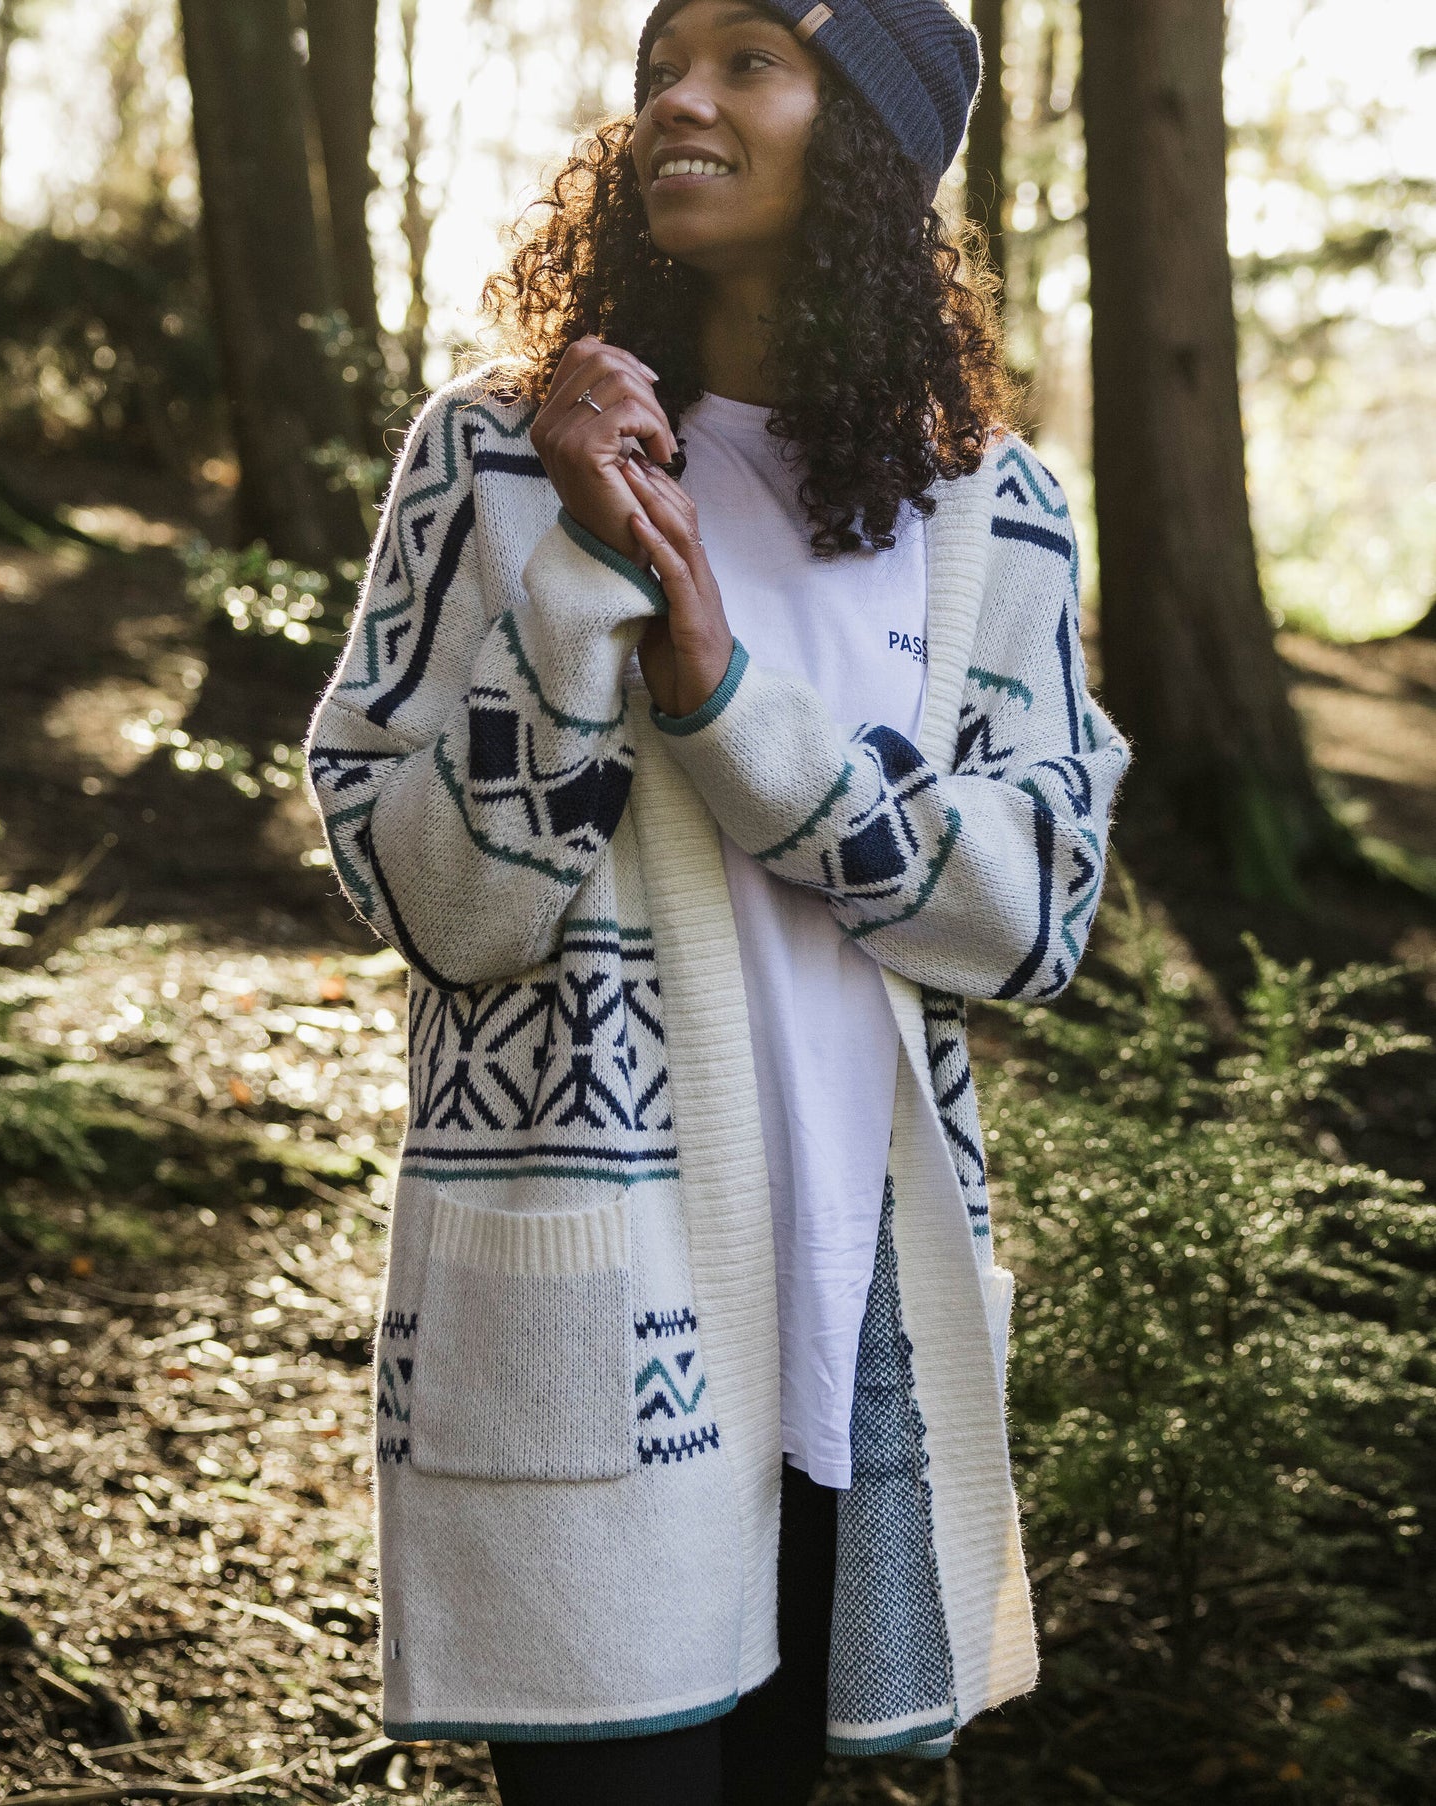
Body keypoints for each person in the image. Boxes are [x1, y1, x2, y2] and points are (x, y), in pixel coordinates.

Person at [304, 2, 1130, 1801]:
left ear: (869, 139)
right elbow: (434, 899)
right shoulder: (496, 452)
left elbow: (1036, 912)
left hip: (859, 1327)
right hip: (594, 1337)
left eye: (750, 57)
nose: (677, 93)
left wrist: (732, 710)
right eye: (664, 57)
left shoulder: (991, 509)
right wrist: (579, 581)